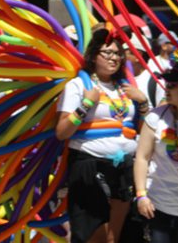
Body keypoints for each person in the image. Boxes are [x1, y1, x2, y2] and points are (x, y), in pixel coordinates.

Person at [56, 28, 150, 243]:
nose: (113, 58)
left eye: (117, 53)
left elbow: (143, 132)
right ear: (93, 56)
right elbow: (62, 132)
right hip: (90, 167)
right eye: (106, 53)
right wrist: (86, 104)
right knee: (92, 235)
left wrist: (143, 102)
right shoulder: (78, 86)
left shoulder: (124, 88)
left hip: (125, 168)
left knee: (120, 235)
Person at [133, 62, 178, 243]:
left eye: (172, 85)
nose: (166, 88)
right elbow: (142, 158)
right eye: (166, 84)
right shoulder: (156, 117)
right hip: (158, 205)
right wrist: (141, 195)